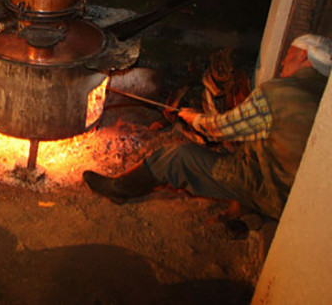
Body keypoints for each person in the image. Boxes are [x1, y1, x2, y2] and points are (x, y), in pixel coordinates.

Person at [83, 34, 332, 220]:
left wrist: (195, 118)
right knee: (246, 146)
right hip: (302, 197)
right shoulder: (322, 94)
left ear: (303, 56)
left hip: (277, 194)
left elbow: (222, 129)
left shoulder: (280, 92)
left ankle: (119, 189)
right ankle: (243, 207)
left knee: (178, 157)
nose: (283, 61)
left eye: (289, 53)